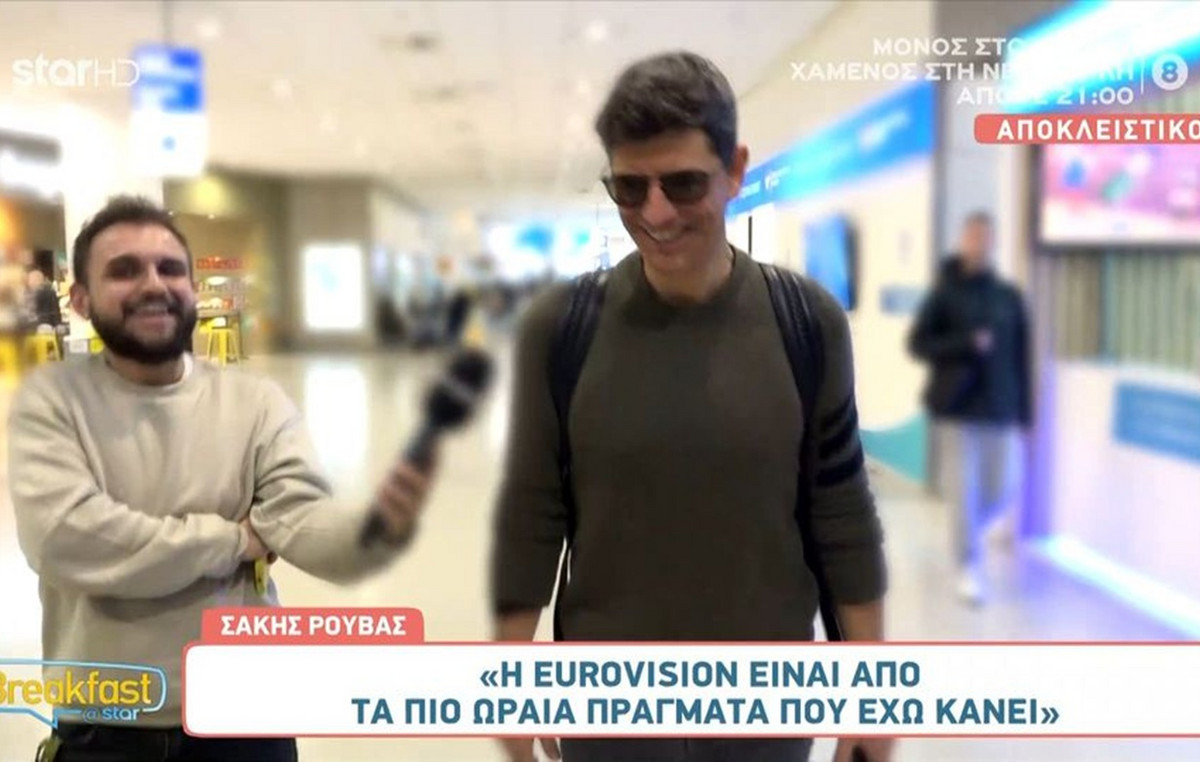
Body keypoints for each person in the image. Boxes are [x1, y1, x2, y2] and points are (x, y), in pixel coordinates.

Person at [490, 51, 891, 762]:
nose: (655, 213)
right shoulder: (561, 329)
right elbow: (532, 509)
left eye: (683, 183)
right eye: (629, 188)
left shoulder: (806, 323)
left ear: (735, 170)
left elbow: (841, 511)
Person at [7, 196, 436, 762]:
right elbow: (67, 540)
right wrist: (233, 540)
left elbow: (297, 518)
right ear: (80, 298)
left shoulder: (254, 403)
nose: (153, 284)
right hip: (105, 724)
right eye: (124, 270)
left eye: (169, 268)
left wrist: (372, 532)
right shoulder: (52, 403)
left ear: (190, 288)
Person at [908, 210, 1032, 606]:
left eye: (986, 236)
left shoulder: (1007, 296)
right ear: (963, 240)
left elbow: (1021, 355)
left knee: (1004, 485)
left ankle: (967, 533)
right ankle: (968, 565)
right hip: (957, 409)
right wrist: (964, 343)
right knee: (964, 492)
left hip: (999, 407)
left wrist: (1025, 412)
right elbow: (918, 344)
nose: (979, 242)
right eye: (973, 235)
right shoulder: (945, 293)